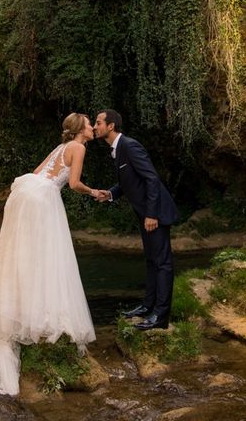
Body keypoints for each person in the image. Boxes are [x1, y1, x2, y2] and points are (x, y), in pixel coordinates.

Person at [0, 113, 98, 396]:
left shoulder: (59, 148)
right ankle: (45, 315)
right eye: (89, 123)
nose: (93, 126)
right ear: (81, 130)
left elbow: (37, 171)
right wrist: (95, 192)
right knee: (50, 255)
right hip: (43, 198)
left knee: (29, 252)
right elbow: (74, 183)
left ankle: (22, 310)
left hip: (28, 189)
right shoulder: (78, 147)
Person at [94, 109, 179, 330]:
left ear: (111, 126)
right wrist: (110, 193)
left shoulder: (129, 146)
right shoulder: (117, 149)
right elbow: (128, 182)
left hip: (155, 214)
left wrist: (151, 214)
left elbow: (151, 178)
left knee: (162, 263)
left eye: (98, 123)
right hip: (145, 214)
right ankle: (147, 306)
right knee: (151, 261)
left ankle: (160, 317)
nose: (95, 127)